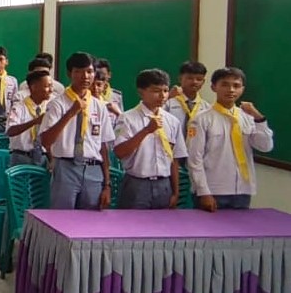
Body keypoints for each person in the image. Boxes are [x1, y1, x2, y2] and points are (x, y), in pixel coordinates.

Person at [187, 67, 274, 211]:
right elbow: (194, 159)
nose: (231, 90)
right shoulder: (201, 119)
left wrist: (259, 118)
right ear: (214, 87)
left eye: (236, 86)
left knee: (241, 226)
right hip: (213, 190)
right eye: (225, 85)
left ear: (242, 89)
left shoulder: (248, 117)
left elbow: (265, 146)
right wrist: (203, 192)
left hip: (242, 190)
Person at [40, 52, 115, 210]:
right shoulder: (57, 104)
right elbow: (46, 141)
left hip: (93, 169)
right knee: (62, 219)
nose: (85, 76)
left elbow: (103, 147)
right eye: (79, 71)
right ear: (69, 74)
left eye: (89, 71)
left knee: (90, 220)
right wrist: (70, 113)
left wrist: (107, 184)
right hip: (66, 167)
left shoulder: (99, 106)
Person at [112, 69, 188, 209]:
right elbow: (119, 152)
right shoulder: (127, 118)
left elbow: (175, 159)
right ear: (141, 92)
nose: (162, 96)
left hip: (164, 184)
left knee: (162, 222)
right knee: (133, 222)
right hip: (137, 183)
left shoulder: (172, 121)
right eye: (156, 91)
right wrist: (146, 130)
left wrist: (175, 192)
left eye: (165, 91)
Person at [6, 69, 53, 167]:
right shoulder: (18, 107)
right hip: (22, 157)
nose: (51, 90)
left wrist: (52, 160)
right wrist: (35, 121)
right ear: (33, 87)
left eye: (51, 86)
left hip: (43, 157)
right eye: (47, 86)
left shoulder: (49, 107)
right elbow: (10, 131)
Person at [165, 60, 210, 131]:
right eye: (190, 78)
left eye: (199, 79)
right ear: (180, 79)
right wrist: (167, 98)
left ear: (203, 82)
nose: (194, 82)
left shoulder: (206, 107)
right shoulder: (168, 102)